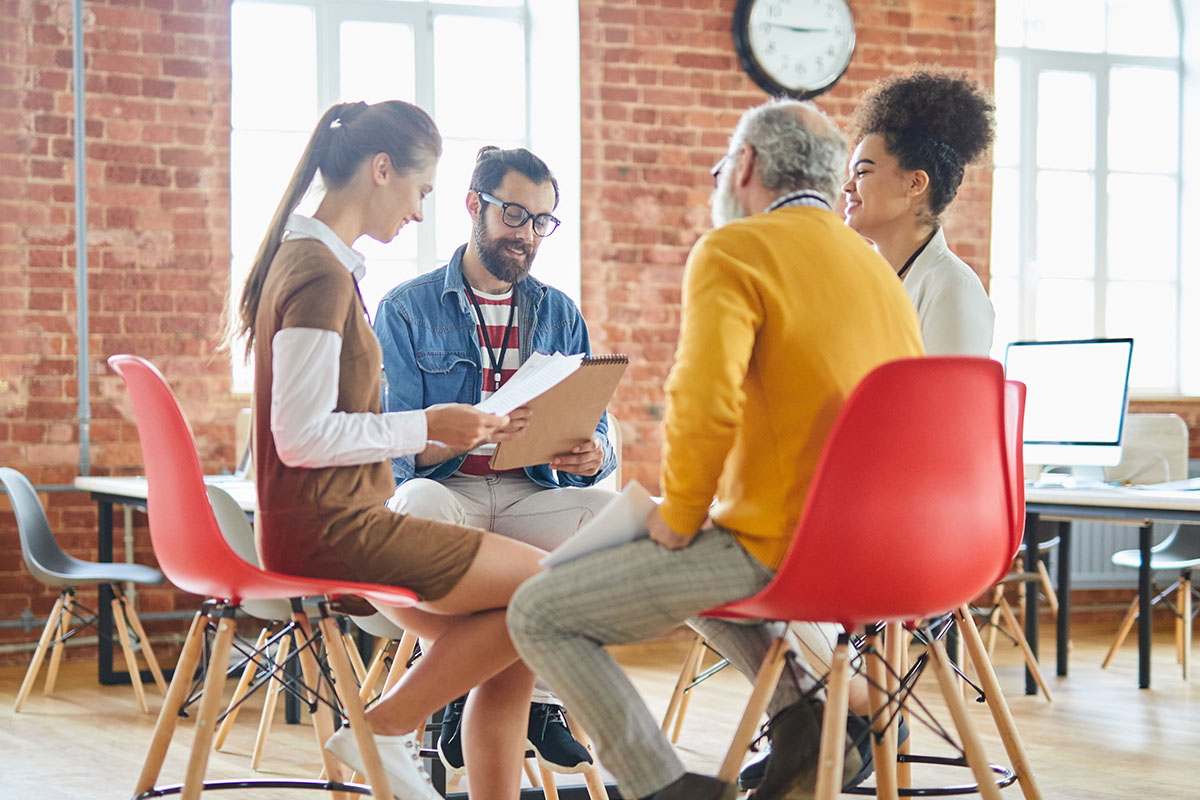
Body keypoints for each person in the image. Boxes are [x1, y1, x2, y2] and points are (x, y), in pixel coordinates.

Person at [506, 99, 925, 800]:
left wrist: (682, 513)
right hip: (889, 549)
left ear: (748, 167)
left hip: (783, 548)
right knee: (700, 568)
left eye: (720, 168)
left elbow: (704, 401)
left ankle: (663, 788)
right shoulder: (877, 267)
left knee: (538, 613)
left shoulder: (737, 249)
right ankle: (808, 722)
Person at [237, 99, 547, 800]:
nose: (417, 211)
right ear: (382, 170)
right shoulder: (316, 272)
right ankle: (384, 729)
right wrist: (428, 424)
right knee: (550, 590)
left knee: (515, 634)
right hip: (334, 530)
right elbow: (302, 434)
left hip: (332, 522)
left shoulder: (314, 261)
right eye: (420, 190)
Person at [372, 146, 617, 777]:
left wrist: (592, 455)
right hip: (446, 489)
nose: (527, 234)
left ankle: (523, 696)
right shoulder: (406, 308)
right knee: (416, 507)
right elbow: (394, 442)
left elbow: (595, 424)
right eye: (514, 214)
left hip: (529, 496)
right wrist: (470, 430)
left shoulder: (561, 312)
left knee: (612, 518)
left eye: (541, 221)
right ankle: (489, 680)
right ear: (474, 206)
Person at [841, 69, 997, 356]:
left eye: (862, 172)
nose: (847, 186)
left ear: (915, 183)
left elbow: (951, 399)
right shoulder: (863, 279)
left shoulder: (952, 288)